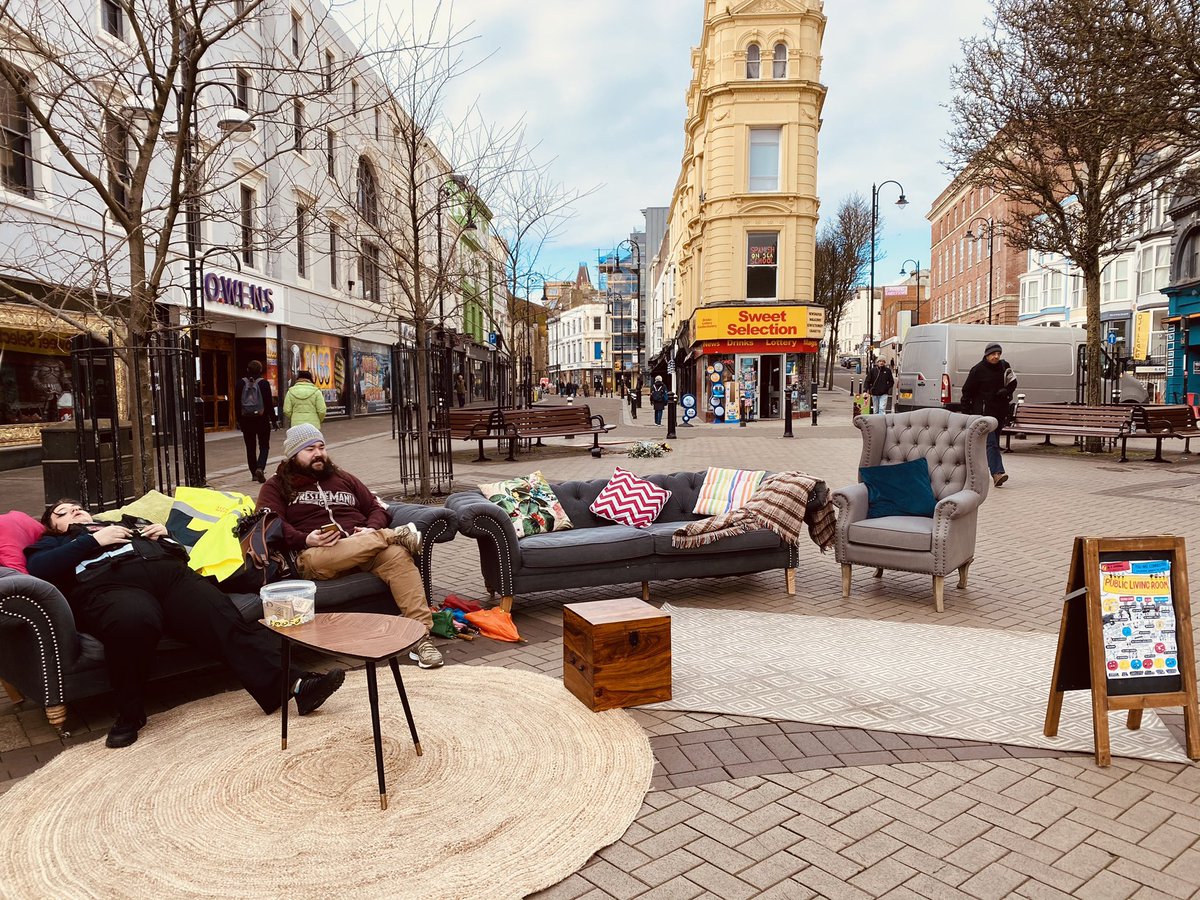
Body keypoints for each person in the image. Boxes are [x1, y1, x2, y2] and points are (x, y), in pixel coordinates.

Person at [25, 500, 345, 749]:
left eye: (78, 507)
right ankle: (130, 715)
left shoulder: (123, 523)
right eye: (63, 513)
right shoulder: (54, 543)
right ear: (53, 527)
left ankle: (297, 685)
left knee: (219, 614)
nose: (75, 512)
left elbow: (184, 555)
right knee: (133, 621)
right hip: (110, 585)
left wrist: (167, 537)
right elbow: (39, 567)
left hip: (168, 574)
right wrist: (93, 541)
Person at [256, 424, 443, 669]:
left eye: (321, 447)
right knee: (337, 553)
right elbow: (269, 523)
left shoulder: (343, 478)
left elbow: (377, 507)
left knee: (397, 555)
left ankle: (421, 638)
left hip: (363, 549)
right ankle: (393, 535)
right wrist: (305, 539)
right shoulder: (276, 486)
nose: (318, 454)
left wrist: (371, 528)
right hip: (319, 556)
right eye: (309, 449)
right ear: (293, 455)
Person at [961, 342, 1017, 487]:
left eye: (998, 354)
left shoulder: (1005, 366)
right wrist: (966, 414)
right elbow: (966, 392)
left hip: (1000, 412)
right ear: (986, 355)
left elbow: (1013, 382)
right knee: (991, 443)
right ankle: (997, 473)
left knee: (992, 443)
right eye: (993, 354)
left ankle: (977, 471)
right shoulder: (977, 370)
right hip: (984, 414)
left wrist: (1007, 391)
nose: (996, 356)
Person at [235, 360, 279, 483]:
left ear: (247, 370)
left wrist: (238, 419)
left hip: (246, 420)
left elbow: (237, 403)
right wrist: (274, 420)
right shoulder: (264, 383)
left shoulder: (240, 383)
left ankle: (254, 473)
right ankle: (260, 467)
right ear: (260, 370)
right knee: (264, 445)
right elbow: (269, 404)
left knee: (250, 447)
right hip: (262, 419)